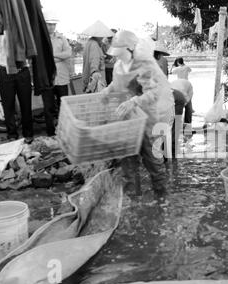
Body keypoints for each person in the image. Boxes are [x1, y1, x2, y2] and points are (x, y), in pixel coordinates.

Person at [102, 30, 175, 204]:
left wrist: (134, 101)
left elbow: (154, 93)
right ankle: (133, 201)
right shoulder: (121, 64)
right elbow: (117, 82)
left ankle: (161, 198)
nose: (118, 57)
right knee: (128, 159)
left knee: (152, 158)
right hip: (130, 118)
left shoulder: (144, 64)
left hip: (150, 115)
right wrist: (108, 90)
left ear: (131, 49)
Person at [0, 33, 34, 144]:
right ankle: (12, 134)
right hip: (5, 71)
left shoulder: (23, 29)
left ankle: (28, 134)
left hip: (22, 71)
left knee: (26, 104)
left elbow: (31, 53)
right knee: (8, 105)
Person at [43, 11, 72, 121]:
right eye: (49, 24)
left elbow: (68, 53)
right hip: (47, 77)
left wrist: (52, 56)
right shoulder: (41, 39)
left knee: (63, 104)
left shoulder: (61, 38)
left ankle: (63, 127)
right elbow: (41, 58)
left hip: (62, 77)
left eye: (53, 24)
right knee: (48, 106)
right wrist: (60, 57)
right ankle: (50, 131)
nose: (52, 27)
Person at [82, 21, 113, 93]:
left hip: (90, 77)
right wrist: (95, 73)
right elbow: (94, 60)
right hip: (96, 79)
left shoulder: (90, 42)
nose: (103, 36)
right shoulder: (94, 45)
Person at [171, 79, 194, 157]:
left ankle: (187, 128)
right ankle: (174, 136)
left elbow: (185, 101)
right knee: (175, 116)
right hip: (177, 88)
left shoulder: (182, 95)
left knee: (188, 108)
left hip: (187, 88)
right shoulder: (170, 92)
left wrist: (183, 105)